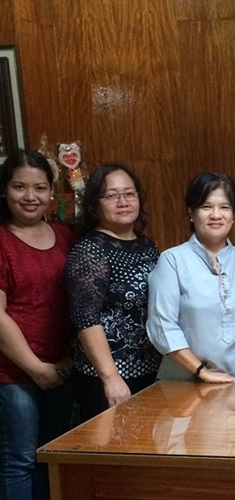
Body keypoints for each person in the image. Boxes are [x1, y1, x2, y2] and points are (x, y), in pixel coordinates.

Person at [0, 150, 75, 500]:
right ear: (5, 190)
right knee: (20, 460)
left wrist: (63, 365)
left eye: (40, 188)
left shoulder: (65, 236)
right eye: (20, 187)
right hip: (14, 374)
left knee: (52, 456)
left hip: (61, 367)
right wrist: (36, 368)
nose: (30, 197)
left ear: (51, 192)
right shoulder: (2, 239)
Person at [65, 163, 161, 421]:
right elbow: (86, 319)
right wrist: (111, 378)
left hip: (150, 369)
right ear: (95, 204)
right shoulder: (90, 250)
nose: (122, 201)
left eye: (129, 193)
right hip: (107, 378)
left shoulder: (146, 245)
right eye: (111, 195)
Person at [147, 172, 235, 383]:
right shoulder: (172, 260)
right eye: (206, 207)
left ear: (233, 214)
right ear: (191, 213)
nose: (216, 215)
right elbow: (162, 326)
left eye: (225, 207)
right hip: (182, 387)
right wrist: (202, 372)